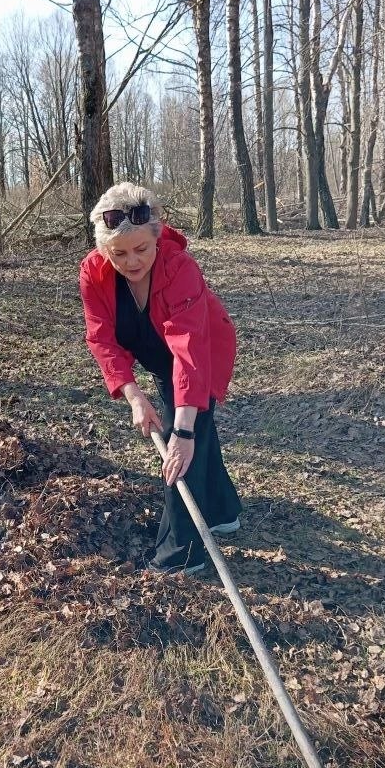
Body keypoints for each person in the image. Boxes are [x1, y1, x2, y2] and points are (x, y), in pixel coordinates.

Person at [79, 182, 241, 575]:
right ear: (103, 249)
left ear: (157, 235)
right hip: (156, 354)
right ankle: (222, 513)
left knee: (182, 445)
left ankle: (180, 555)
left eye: (141, 249)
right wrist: (134, 396)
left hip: (202, 353)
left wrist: (181, 433)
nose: (131, 261)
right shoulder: (93, 273)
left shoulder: (179, 267)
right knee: (199, 433)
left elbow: (189, 351)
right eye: (119, 253)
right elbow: (101, 338)